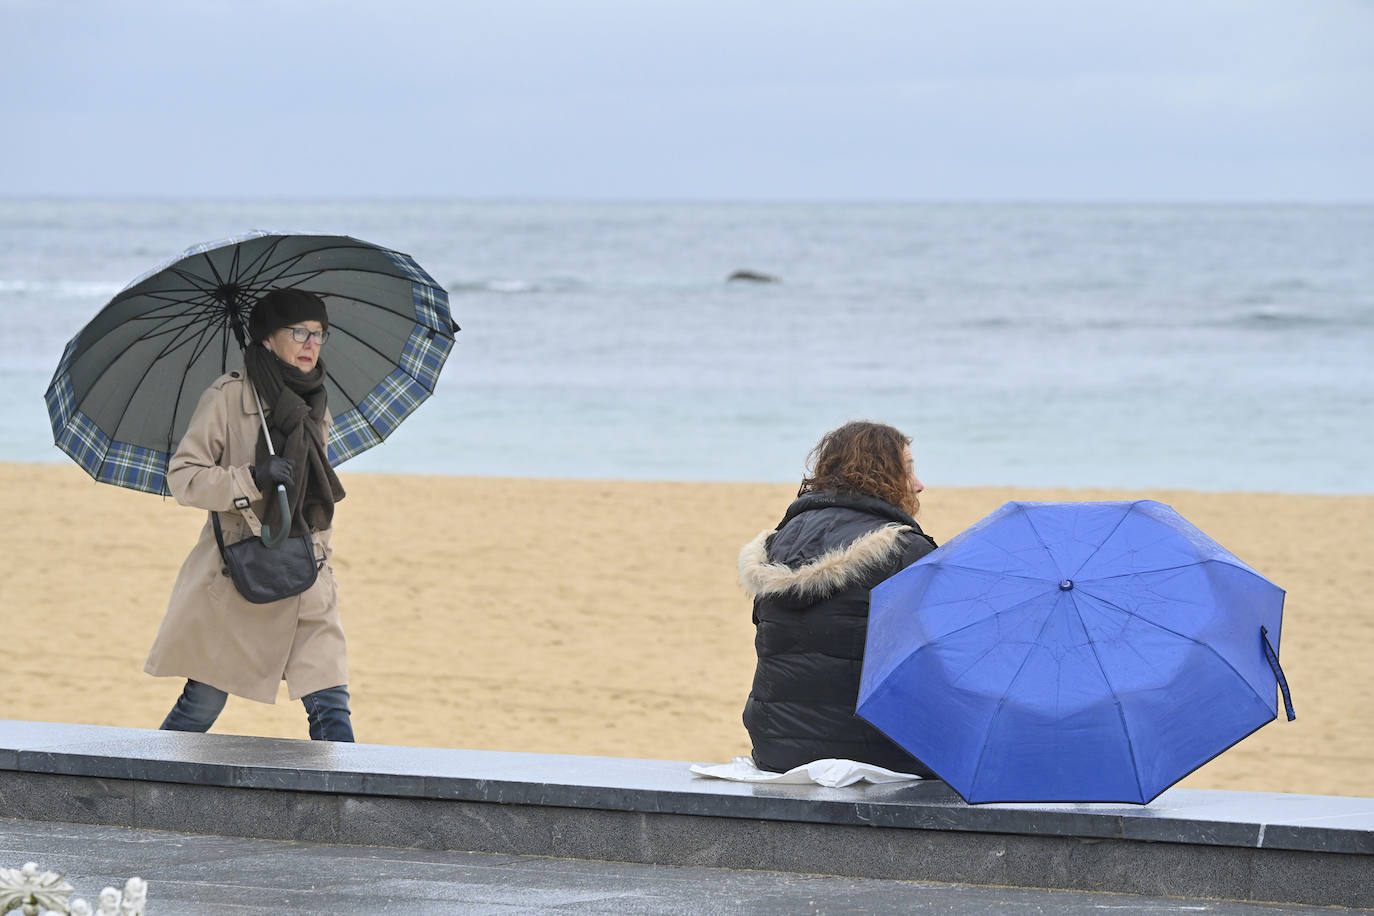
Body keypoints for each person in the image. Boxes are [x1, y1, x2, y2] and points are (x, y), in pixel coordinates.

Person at [144, 287, 354, 741]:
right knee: (203, 703)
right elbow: (183, 477)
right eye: (298, 332)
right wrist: (252, 479)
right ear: (266, 339)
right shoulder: (226, 397)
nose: (310, 344)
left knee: (331, 701)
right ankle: (148, 782)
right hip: (240, 570)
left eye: (319, 334)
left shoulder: (316, 400)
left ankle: (354, 810)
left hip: (306, 566)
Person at [737, 420, 937, 775]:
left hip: (775, 748)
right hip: (880, 753)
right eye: (907, 471)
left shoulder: (776, 544)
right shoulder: (905, 550)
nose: (919, 485)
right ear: (882, 476)